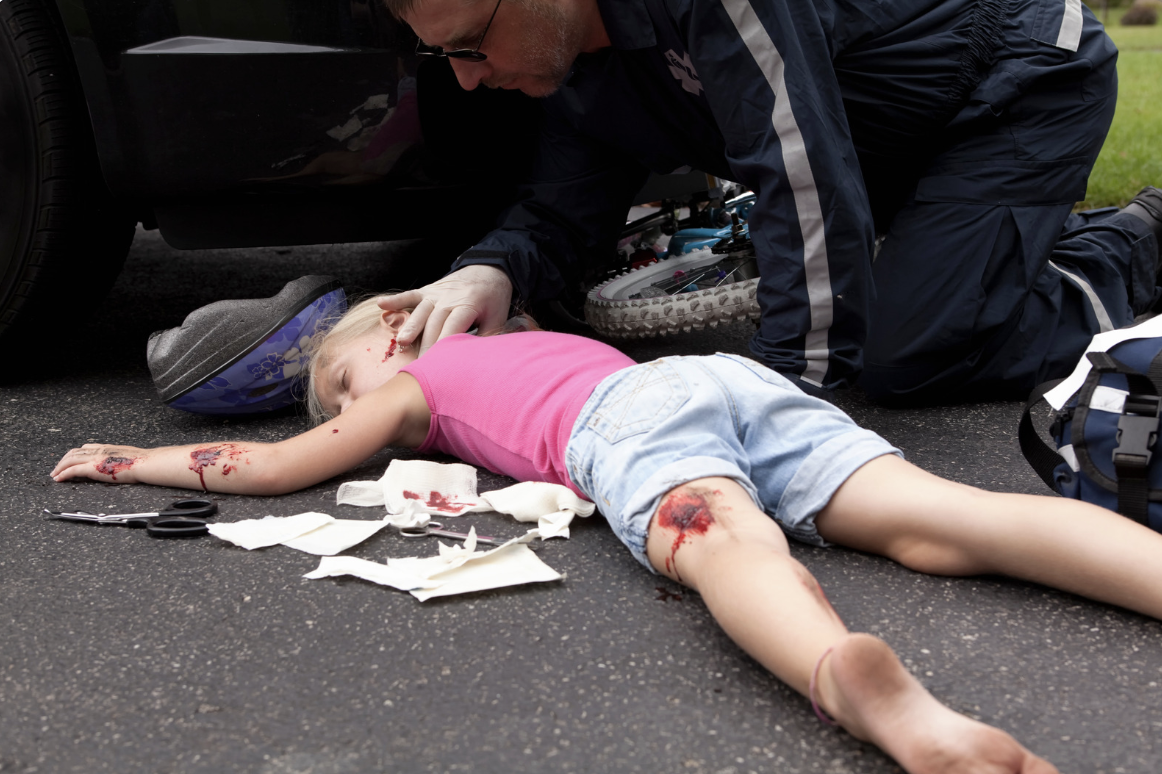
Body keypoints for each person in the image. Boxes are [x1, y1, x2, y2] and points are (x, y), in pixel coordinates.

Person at [52, 298, 1162, 774]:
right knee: (943, 521)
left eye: (338, 386)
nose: (348, 413)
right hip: (725, 383)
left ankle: (857, 683)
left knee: (728, 544)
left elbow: (275, 467)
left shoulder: (412, 378)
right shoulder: (534, 332)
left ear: (392, 332)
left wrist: (126, 461)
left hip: (620, 425)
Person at [374, 0, 1162, 404]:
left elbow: (799, 174)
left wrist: (781, 397)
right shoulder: (573, 71)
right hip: (876, 140)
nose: (467, 78)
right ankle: (997, 249)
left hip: (1013, 85)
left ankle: (1135, 244)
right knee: (880, 303)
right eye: (443, 55)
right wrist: (488, 272)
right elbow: (562, 211)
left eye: (471, 43)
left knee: (905, 357)